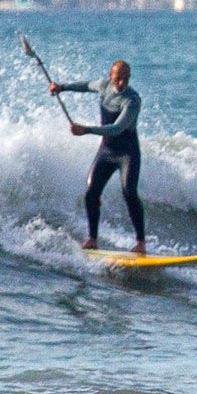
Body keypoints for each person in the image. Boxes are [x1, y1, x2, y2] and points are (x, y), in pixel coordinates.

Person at [51, 60, 145, 253]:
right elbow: (86, 86)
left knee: (129, 192)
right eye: (118, 78)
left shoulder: (132, 100)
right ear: (111, 76)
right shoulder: (104, 86)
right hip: (106, 152)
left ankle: (141, 243)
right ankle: (92, 239)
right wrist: (62, 87)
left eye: (125, 78)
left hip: (127, 154)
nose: (121, 83)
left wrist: (86, 130)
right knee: (91, 193)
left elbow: (117, 128)